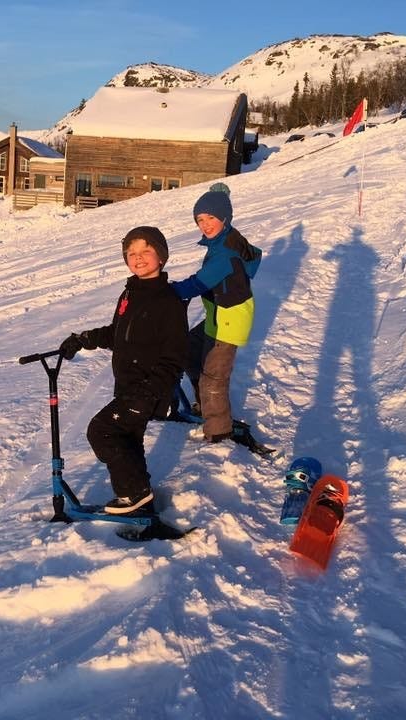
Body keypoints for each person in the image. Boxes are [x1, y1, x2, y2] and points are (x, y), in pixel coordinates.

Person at [59, 226, 189, 514]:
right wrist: (84, 339)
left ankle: (135, 495)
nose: (138, 258)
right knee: (129, 438)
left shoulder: (168, 302)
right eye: (132, 253)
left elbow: (174, 356)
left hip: (148, 390)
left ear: (162, 257)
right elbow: (117, 333)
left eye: (146, 251)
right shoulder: (130, 292)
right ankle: (140, 498)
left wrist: (150, 391)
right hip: (128, 384)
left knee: (103, 430)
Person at [171, 184, 262, 442]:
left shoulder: (225, 252)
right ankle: (205, 405)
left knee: (213, 379)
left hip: (229, 321)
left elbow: (198, 283)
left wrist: (167, 291)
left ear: (224, 218)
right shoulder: (225, 239)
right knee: (189, 351)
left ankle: (218, 432)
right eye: (200, 219)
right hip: (216, 316)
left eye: (211, 218)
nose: (205, 224)